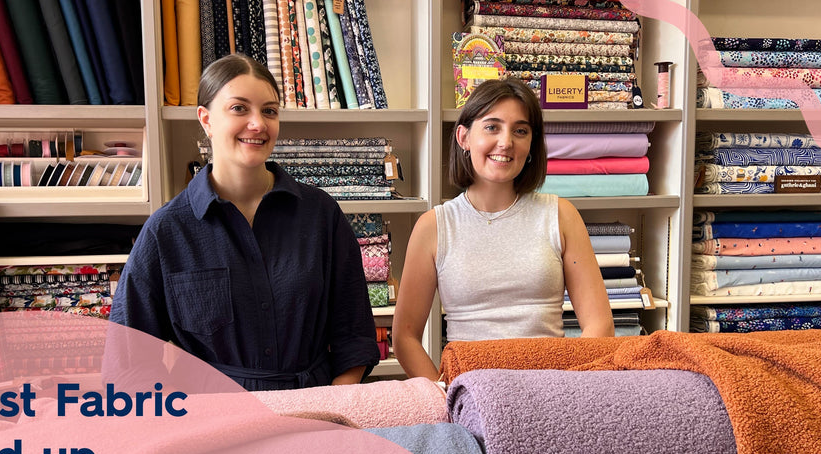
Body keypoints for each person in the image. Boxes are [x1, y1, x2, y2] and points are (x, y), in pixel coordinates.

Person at [110, 54, 379, 390]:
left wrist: (334, 407)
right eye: (239, 108)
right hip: (214, 413)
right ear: (206, 119)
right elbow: (130, 363)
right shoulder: (166, 231)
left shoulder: (321, 215)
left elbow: (353, 336)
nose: (258, 124)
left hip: (314, 408)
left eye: (269, 111)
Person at [393, 78, 614, 381]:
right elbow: (405, 337)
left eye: (520, 131)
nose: (506, 142)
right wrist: (445, 395)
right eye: (492, 127)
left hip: (551, 387)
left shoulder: (561, 216)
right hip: (472, 393)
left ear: (532, 144)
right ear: (463, 137)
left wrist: (565, 387)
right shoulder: (434, 226)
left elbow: (600, 325)